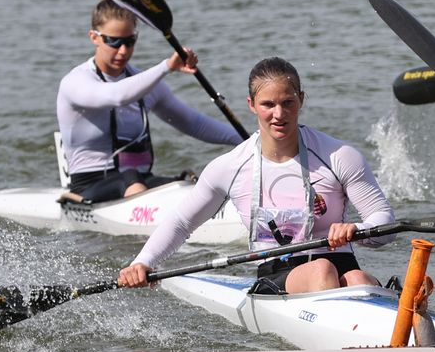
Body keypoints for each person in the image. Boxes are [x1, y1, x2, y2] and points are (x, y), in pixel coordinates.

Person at [119, 57, 395, 294]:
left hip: (343, 266)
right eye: (268, 104)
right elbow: (181, 223)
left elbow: (384, 223)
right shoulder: (230, 167)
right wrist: (143, 262)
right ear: (251, 104)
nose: (279, 114)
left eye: (288, 102)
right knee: (322, 270)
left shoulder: (339, 156)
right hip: (278, 273)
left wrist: (357, 231)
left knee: (356, 278)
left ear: (301, 99)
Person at [55, 0, 243, 204]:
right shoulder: (76, 82)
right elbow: (116, 96)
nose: (123, 50)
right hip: (89, 187)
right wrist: (166, 67)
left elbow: (194, 124)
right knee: (130, 178)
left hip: (140, 181)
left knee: (187, 186)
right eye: (113, 41)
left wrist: (248, 140)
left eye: (129, 41)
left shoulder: (144, 83)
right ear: (94, 37)